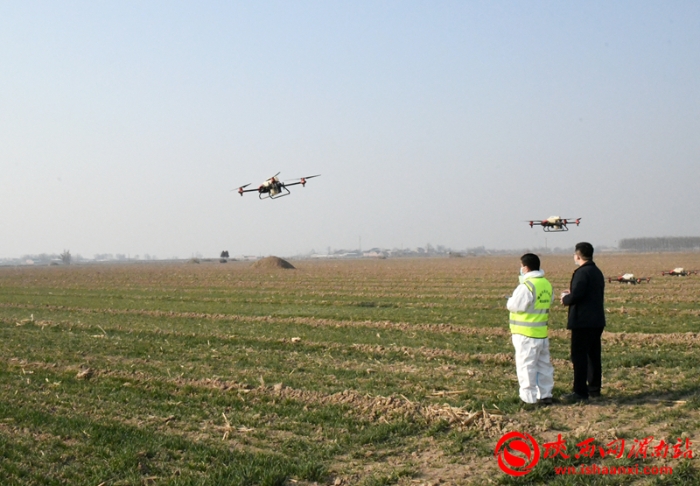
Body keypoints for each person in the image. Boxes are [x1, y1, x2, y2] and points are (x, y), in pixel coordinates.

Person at [560, 242, 606, 403]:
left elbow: (577, 295)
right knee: (593, 356)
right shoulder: (596, 271)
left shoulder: (581, 272)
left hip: (582, 321)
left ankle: (579, 392)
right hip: (597, 320)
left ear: (578, 256)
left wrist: (566, 298)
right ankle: (594, 388)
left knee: (579, 356)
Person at [507, 253, 554, 407]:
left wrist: (509, 300)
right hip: (541, 333)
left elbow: (515, 305)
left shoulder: (527, 286)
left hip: (525, 334)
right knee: (544, 366)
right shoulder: (546, 284)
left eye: (521, 266)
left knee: (526, 366)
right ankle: (546, 395)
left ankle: (529, 399)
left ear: (525, 267)